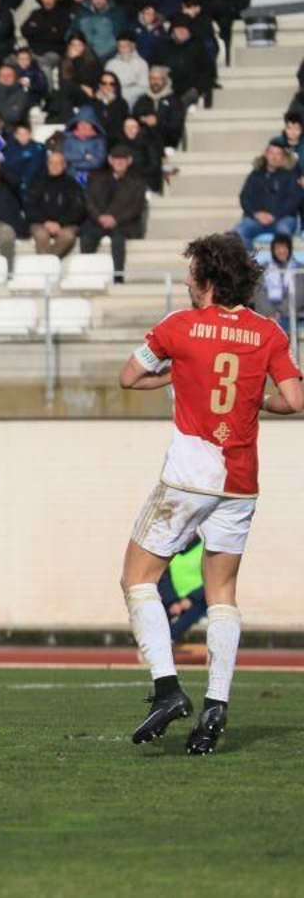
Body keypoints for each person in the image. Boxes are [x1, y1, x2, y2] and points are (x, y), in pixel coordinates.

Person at [117, 233, 303, 753]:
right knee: (222, 593)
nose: (185, 280)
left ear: (208, 278)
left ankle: (167, 688)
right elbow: (296, 399)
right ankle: (215, 705)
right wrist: (256, 398)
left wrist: (179, 371)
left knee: (137, 579)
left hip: (189, 475)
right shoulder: (268, 331)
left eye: (191, 272)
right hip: (241, 480)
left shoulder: (179, 327)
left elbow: (129, 377)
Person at [80, 144, 148, 283]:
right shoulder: (97, 179)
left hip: (123, 224)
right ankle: (86, 276)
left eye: (123, 159)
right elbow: (89, 201)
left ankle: (118, 276)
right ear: (110, 160)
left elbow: (136, 207)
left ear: (129, 161)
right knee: (87, 238)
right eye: (116, 158)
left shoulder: (138, 183)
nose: (119, 162)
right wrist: (100, 217)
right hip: (98, 222)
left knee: (118, 239)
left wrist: (115, 219)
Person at [233, 142, 303, 250]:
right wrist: (256, 214)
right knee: (239, 232)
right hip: (256, 219)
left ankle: (283, 266)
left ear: (283, 156)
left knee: (283, 231)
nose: (274, 157)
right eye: (271, 153)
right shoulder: (255, 174)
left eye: (278, 154)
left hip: (283, 218)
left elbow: (295, 200)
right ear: (266, 154)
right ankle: (249, 262)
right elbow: (244, 198)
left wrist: (275, 214)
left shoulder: (291, 174)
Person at [25, 150, 88, 257]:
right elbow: (30, 206)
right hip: (41, 223)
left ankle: (48, 267)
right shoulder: (37, 182)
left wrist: (60, 223)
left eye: (58, 163)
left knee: (68, 235)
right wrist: (46, 222)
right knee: (41, 235)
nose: (54, 166)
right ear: (47, 165)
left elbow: (78, 208)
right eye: (51, 162)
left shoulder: (72, 184)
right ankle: (51, 267)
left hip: (66, 224)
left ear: (64, 165)